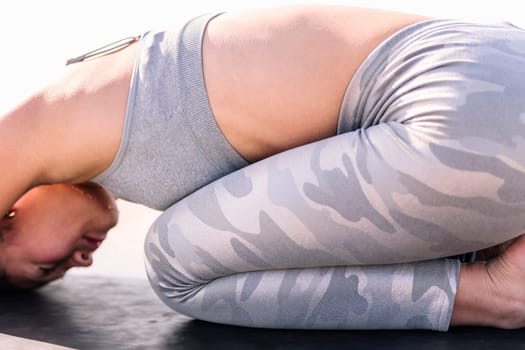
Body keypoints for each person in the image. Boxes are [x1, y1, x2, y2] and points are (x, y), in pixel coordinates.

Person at [1, 4, 525, 331]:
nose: (81, 264)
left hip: (456, 116)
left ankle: (490, 296)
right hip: (496, 69)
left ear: (7, 217)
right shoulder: (105, 89)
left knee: (173, 266)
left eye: (46, 267)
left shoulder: (32, 128)